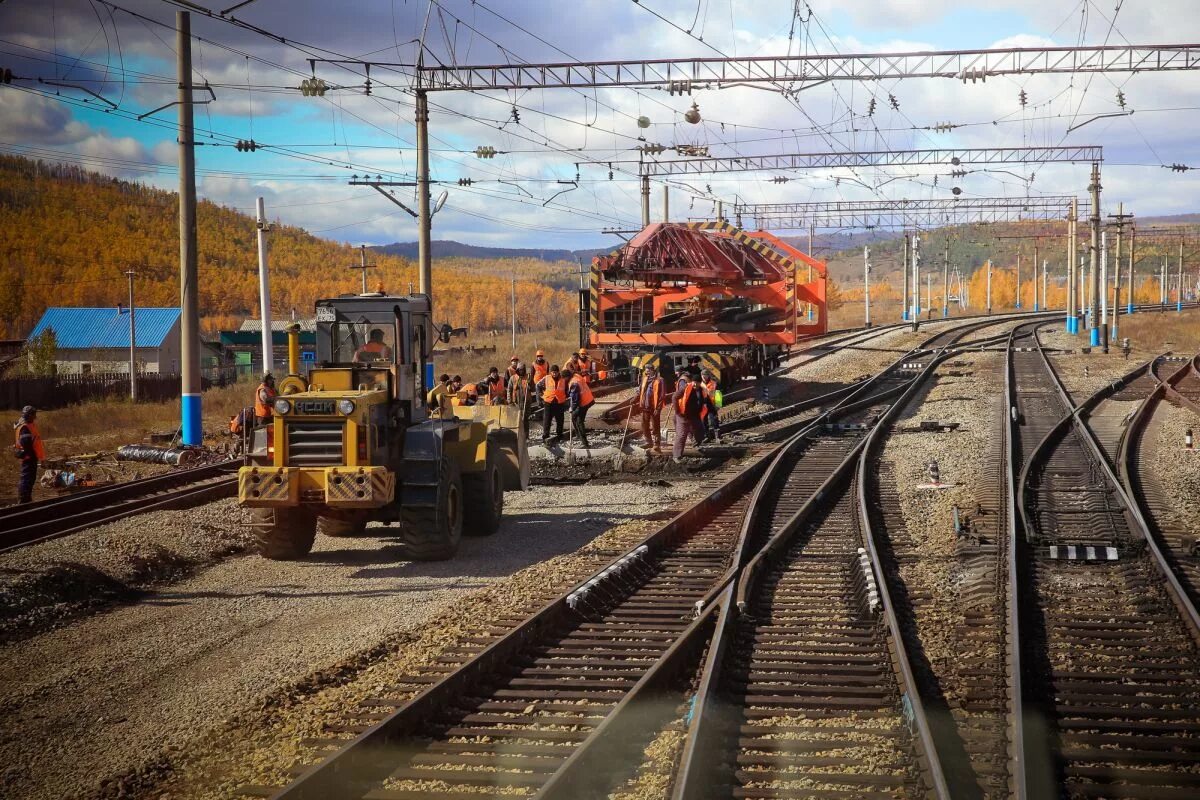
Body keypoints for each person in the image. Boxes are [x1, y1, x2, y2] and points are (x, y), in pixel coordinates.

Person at [13, 405, 45, 504]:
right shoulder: (25, 427)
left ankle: (26, 498)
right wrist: (32, 455)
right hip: (29, 457)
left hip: (30, 456)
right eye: (33, 414)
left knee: (30, 478)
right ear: (29, 415)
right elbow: (26, 444)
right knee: (26, 479)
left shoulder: (28, 425)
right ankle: (23, 499)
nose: (35, 416)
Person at [672, 372, 706, 460]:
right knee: (682, 435)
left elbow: (704, 401)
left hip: (694, 415)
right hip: (682, 415)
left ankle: (696, 444)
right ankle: (677, 456)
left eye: (697, 382)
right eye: (693, 382)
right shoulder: (686, 388)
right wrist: (677, 411)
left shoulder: (701, 390)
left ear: (700, 383)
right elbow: (674, 397)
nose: (695, 384)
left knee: (700, 431)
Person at [638, 364, 666, 454]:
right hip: (645, 406)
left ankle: (657, 444)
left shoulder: (660, 380)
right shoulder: (644, 379)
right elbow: (640, 391)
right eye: (646, 369)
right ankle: (648, 442)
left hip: (654, 407)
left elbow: (662, 395)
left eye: (649, 369)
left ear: (653, 370)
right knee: (644, 424)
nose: (647, 371)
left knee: (655, 426)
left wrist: (658, 408)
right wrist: (635, 398)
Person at [537, 364, 568, 443]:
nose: (554, 374)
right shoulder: (547, 378)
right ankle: (545, 436)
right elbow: (538, 385)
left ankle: (559, 435)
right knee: (547, 420)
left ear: (558, 372)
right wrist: (541, 396)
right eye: (553, 372)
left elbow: (566, 390)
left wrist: (565, 398)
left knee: (560, 420)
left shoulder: (563, 380)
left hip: (559, 402)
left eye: (556, 372)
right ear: (551, 372)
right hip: (549, 402)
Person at [565, 367, 594, 449]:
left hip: (583, 403)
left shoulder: (573, 383)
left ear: (567, 377)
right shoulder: (576, 376)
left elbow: (575, 399)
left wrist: (572, 408)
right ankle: (579, 436)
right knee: (576, 418)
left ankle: (584, 443)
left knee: (578, 421)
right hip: (588, 400)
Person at [700, 369, 722, 442]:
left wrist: (718, 405)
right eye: (703, 376)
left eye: (705, 375)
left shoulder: (714, 383)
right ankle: (706, 436)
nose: (704, 377)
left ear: (708, 375)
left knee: (715, 421)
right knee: (704, 421)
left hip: (712, 405)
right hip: (703, 406)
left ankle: (718, 437)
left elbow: (718, 394)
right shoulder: (700, 384)